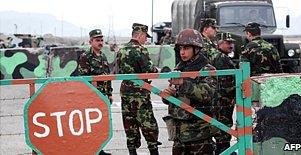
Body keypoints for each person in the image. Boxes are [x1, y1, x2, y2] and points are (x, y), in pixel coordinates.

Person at [163, 28, 218, 155]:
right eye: (181, 49)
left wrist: (184, 83)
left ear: (196, 49)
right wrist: (168, 96)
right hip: (179, 134)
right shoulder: (179, 68)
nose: (182, 52)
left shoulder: (207, 69)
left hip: (199, 133)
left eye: (186, 48)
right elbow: (177, 95)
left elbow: (207, 94)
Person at [116, 23, 161, 155]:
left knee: (129, 123)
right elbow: (149, 69)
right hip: (140, 92)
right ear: (140, 35)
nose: (146, 40)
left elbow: (118, 70)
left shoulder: (122, 50)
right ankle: (153, 150)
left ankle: (132, 150)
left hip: (125, 91)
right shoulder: (141, 50)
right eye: (145, 37)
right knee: (148, 123)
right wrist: (156, 70)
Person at [77, 29, 113, 155]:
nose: (100, 42)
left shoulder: (102, 56)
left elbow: (107, 76)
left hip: (103, 96)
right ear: (90, 41)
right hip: (91, 97)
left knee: (100, 125)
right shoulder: (85, 57)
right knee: (90, 124)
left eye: (101, 40)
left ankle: (98, 149)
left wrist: (109, 93)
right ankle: (92, 150)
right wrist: (91, 95)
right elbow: (83, 79)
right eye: (97, 40)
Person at [212, 32, 237, 154]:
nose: (231, 45)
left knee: (223, 124)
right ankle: (223, 150)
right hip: (223, 99)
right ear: (219, 44)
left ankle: (222, 148)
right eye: (228, 43)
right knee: (224, 123)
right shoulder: (221, 59)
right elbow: (226, 81)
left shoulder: (223, 57)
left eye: (232, 43)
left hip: (224, 98)